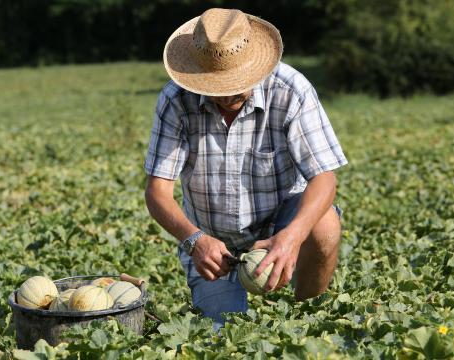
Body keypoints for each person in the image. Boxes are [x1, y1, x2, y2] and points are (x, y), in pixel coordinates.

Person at [143, 8, 348, 328]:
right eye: (216, 86)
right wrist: (194, 239)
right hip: (211, 242)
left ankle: (307, 317)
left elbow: (324, 178)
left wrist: (292, 237)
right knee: (223, 334)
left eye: (235, 83)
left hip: (281, 219)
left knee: (325, 225)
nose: (227, 95)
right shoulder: (176, 101)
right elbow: (158, 191)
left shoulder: (291, 89)